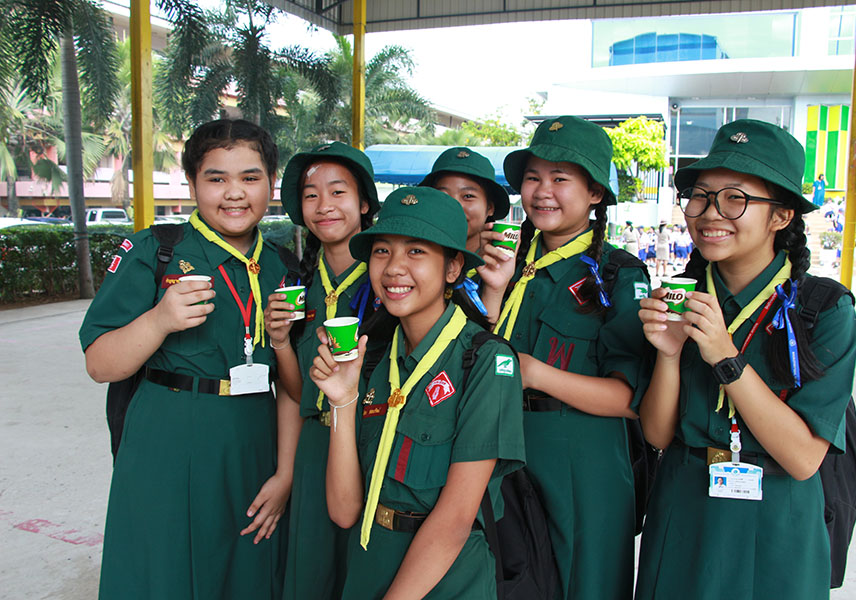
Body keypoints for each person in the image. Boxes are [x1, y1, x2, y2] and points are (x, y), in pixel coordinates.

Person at [635, 119, 856, 599]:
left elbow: (803, 458)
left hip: (777, 518)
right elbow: (657, 435)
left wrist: (726, 356)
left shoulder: (824, 311)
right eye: (700, 195)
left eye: (734, 198)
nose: (709, 212)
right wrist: (669, 356)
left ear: (781, 216)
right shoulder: (679, 297)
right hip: (684, 508)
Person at [81, 119, 297, 599]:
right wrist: (159, 320)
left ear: (271, 183)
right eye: (217, 178)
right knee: (164, 573)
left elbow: (290, 386)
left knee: (246, 572)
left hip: (252, 446)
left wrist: (285, 474)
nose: (234, 193)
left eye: (250, 177)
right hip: (166, 446)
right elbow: (100, 364)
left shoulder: (283, 266)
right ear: (192, 183)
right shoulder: (156, 251)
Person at [310, 186, 526, 599]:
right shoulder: (371, 357)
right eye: (382, 251)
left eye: (416, 251)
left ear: (452, 268)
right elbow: (344, 510)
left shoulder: (485, 361)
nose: (394, 268)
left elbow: (456, 520)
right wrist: (342, 400)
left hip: (447, 578)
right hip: (369, 563)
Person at [483, 116, 649, 599]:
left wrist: (537, 374)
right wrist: (494, 290)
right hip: (499, 448)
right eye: (533, 178)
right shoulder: (503, 258)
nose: (542, 192)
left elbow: (630, 399)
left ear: (595, 192)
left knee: (585, 584)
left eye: (560, 179)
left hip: (582, 464)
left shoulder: (617, 275)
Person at [265, 141, 381, 600]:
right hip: (316, 445)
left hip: (374, 442)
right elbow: (297, 393)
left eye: (338, 192)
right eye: (311, 195)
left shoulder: (390, 281)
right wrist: (279, 341)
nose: (324, 205)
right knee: (312, 574)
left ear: (364, 203)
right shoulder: (300, 284)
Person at [419, 146, 515, 323]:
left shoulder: (505, 268)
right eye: (443, 196)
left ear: (490, 207)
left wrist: (493, 291)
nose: (454, 206)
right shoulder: (414, 263)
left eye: (468, 196)